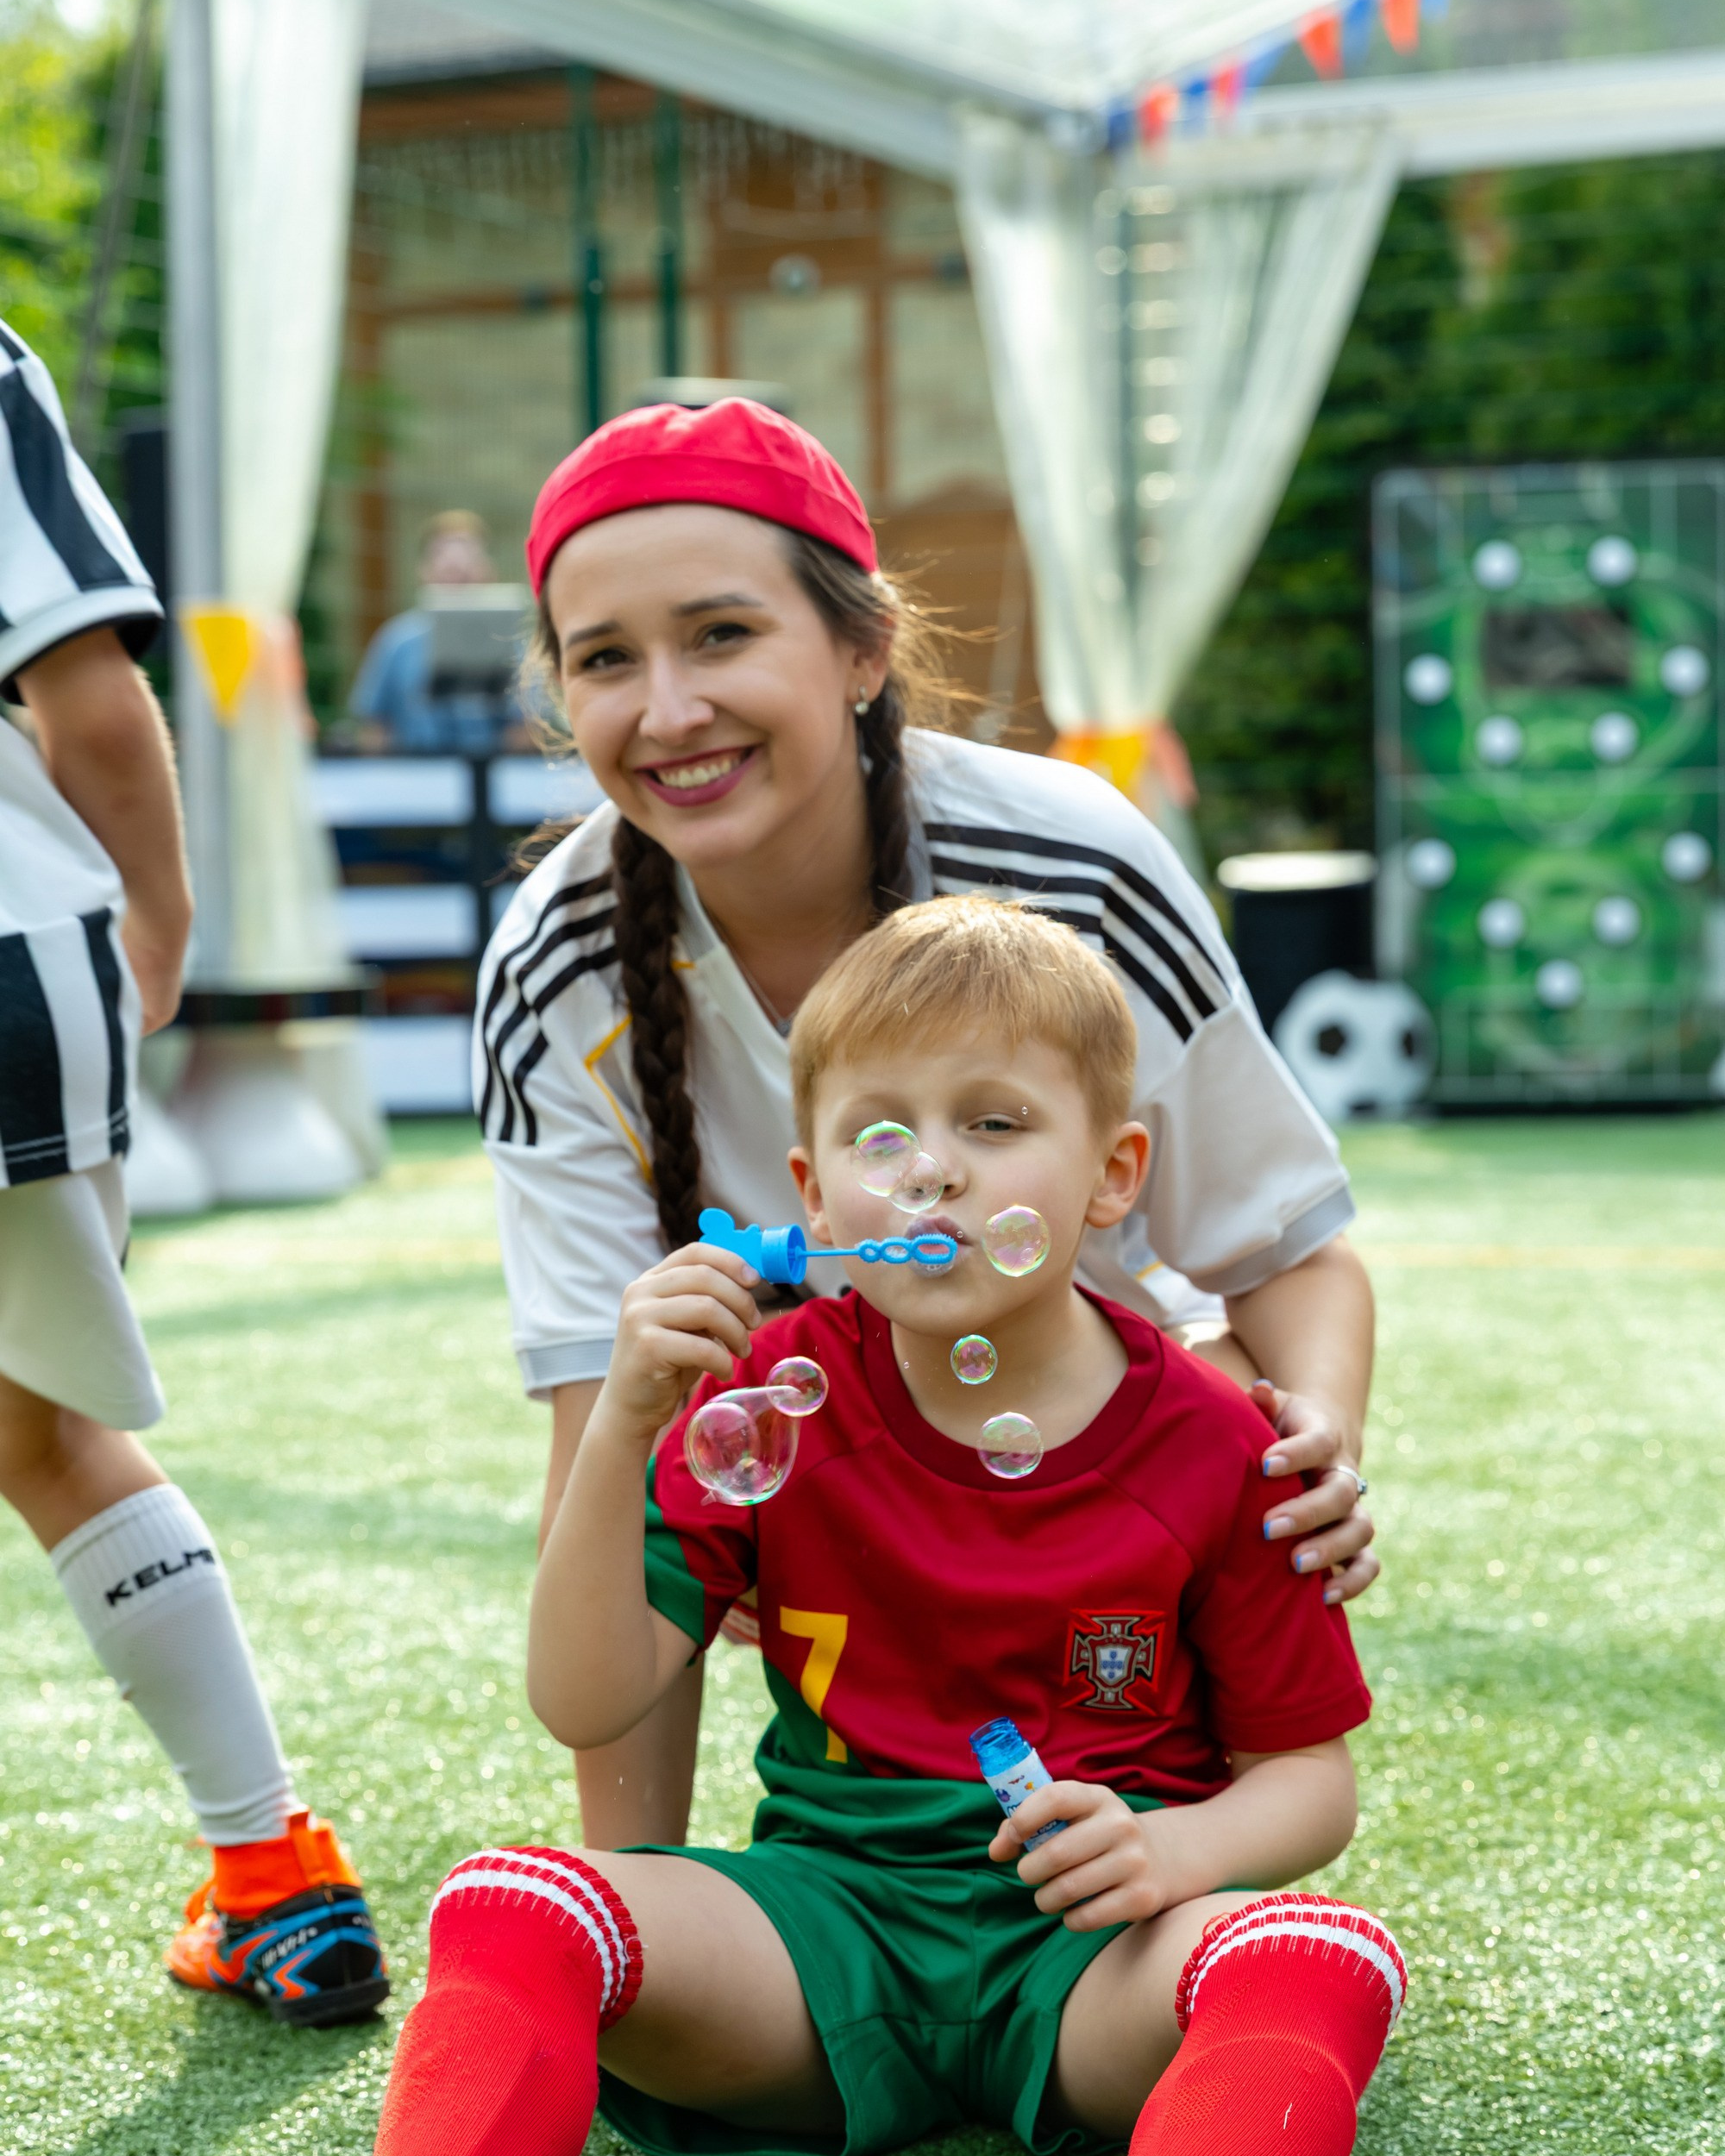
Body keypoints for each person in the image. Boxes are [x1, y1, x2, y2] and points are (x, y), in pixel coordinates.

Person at [79, 898, 1406, 2156]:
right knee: (520, 1895)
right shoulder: (771, 1402)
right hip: (820, 1935)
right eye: (882, 1135)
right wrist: (629, 1416)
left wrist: (1178, 1856)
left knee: (1320, 1949)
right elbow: (584, 1696)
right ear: (810, 1192)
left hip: (1095, 1962)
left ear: (1114, 1175)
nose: (935, 1173)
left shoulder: (1214, 1437)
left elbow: (1306, 1782)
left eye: (997, 1126)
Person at [472, 396, 1378, 1852]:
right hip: (835, 1537)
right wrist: (638, 1898)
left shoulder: (1074, 862)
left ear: (861, 647)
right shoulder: (551, 967)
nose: (668, 709)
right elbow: (612, 1431)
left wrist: (1315, 1447)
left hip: (1114, 1517)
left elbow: (1289, 1253)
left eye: (720, 635)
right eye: (605, 662)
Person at [0, 318, 386, 2025]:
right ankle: (273, 1879)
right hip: (20, 965)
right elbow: (89, 690)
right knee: (49, 1425)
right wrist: (154, 918)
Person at [348, 509, 522, 754]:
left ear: (488, 568)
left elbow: (527, 729)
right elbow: (376, 728)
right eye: (443, 554)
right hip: (416, 779)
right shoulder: (397, 640)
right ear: (424, 570)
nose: (456, 563)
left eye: (469, 554)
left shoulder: (510, 640)